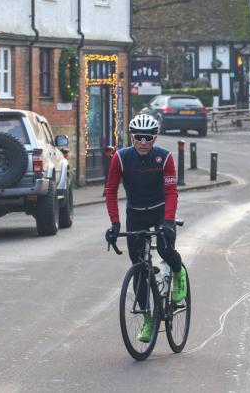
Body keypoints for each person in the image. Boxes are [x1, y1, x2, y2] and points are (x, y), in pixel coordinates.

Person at [104, 113, 187, 343]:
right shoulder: (120, 158)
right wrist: (115, 223)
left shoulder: (165, 158)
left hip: (160, 211)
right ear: (132, 136)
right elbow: (111, 191)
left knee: (163, 248)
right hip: (135, 214)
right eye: (139, 137)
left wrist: (168, 222)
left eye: (148, 137)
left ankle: (178, 272)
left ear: (155, 137)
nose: (143, 142)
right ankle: (148, 319)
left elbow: (171, 192)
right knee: (139, 268)